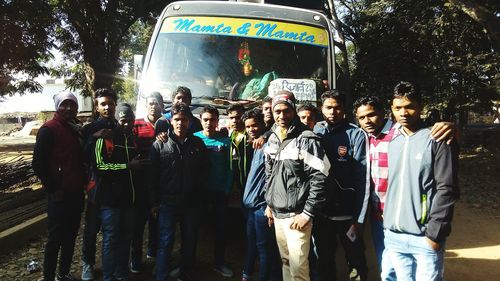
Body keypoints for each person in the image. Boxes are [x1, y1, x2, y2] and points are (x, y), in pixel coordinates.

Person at [381, 82, 459, 281]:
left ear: (421, 107)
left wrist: (435, 232)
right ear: (392, 109)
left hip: (424, 237)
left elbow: (447, 187)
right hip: (394, 235)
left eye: (409, 106)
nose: (404, 112)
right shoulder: (393, 141)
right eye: (398, 108)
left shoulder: (437, 139)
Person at [264, 91, 330, 281]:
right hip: (278, 214)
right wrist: (270, 204)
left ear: (293, 110)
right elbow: (270, 176)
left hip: (297, 216)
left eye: (286, 111)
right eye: (277, 111)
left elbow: (320, 178)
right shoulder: (273, 138)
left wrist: (307, 214)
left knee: (299, 269)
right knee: (286, 262)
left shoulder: (307, 139)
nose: (281, 116)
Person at [313, 90, 370, 281]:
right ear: (321, 109)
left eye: (337, 107)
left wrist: (359, 217)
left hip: (348, 215)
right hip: (322, 214)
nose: (333, 111)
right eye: (328, 107)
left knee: (356, 262)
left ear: (344, 109)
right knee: (324, 260)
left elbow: (363, 178)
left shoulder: (356, 134)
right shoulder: (315, 131)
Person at [149, 103, 208, 281]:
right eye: (176, 120)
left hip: (191, 203)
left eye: (184, 120)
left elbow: (205, 171)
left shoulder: (198, 144)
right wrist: (154, 202)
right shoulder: (160, 144)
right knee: (165, 242)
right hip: (167, 203)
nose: (180, 123)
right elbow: (152, 176)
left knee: (189, 242)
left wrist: (198, 193)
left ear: (189, 122)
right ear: (171, 121)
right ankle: (161, 275)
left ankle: (185, 274)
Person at [33, 92, 86, 281]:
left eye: (72, 104)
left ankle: (63, 273)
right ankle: (48, 276)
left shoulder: (75, 128)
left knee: (71, 235)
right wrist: (54, 188)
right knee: (55, 238)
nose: (69, 108)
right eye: (64, 104)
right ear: (57, 106)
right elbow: (38, 164)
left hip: (76, 192)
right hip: (59, 194)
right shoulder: (49, 129)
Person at [93, 103, 149, 281]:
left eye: (130, 120)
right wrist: (127, 166)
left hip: (129, 201)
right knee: (111, 240)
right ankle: (109, 276)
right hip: (110, 201)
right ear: (117, 120)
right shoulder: (106, 138)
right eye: (123, 120)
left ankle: (121, 273)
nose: (127, 124)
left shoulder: (133, 140)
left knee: (126, 238)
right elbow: (99, 167)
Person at [81, 88, 118, 281]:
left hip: (114, 189)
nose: (107, 107)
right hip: (95, 187)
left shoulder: (119, 127)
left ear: (115, 105)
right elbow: (82, 157)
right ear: (97, 107)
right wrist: (94, 138)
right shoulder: (89, 129)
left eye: (110, 103)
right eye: (103, 104)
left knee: (111, 232)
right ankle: (88, 263)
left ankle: (110, 267)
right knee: (91, 229)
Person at [241, 109, 282, 281]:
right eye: (248, 127)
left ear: (263, 125)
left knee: (265, 249)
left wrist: (269, 206)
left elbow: (273, 178)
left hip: (262, 206)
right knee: (254, 244)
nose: (251, 129)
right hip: (250, 206)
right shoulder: (255, 145)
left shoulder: (269, 145)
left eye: (254, 125)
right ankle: (247, 273)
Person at [193, 106, 235, 277]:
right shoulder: (193, 139)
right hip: (198, 193)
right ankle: (188, 263)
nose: (209, 123)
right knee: (193, 229)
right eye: (206, 120)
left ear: (218, 121)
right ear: (201, 120)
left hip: (219, 193)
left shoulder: (225, 142)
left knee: (220, 229)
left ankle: (219, 263)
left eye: (213, 120)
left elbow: (231, 168)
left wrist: (227, 189)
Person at [130, 92, 163, 272]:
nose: (153, 106)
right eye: (150, 103)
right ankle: (135, 258)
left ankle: (153, 252)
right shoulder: (136, 124)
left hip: (159, 179)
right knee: (138, 222)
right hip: (140, 181)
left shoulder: (166, 124)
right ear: (146, 105)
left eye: (156, 103)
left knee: (156, 219)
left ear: (161, 106)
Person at [227, 103, 253, 190]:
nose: (234, 121)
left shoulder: (252, 134)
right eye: (231, 118)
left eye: (238, 117)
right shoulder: (230, 135)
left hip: (251, 179)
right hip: (236, 180)